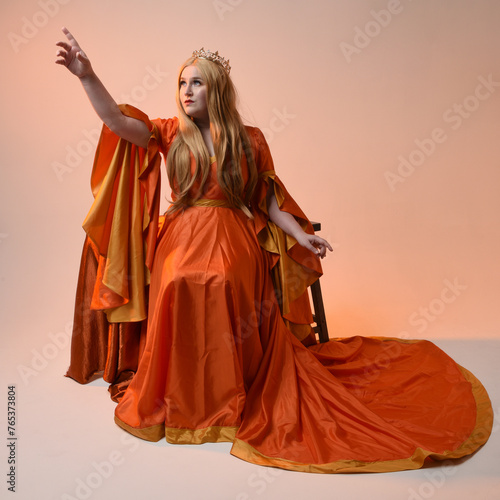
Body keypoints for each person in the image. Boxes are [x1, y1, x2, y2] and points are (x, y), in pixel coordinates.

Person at [57, 27, 492, 474]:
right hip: (183, 232)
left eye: (197, 82)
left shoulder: (251, 139)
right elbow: (116, 121)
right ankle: (180, 391)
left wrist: (301, 235)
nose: (186, 91)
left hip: (231, 230)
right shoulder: (169, 132)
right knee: (176, 281)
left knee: (226, 278)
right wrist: (87, 76)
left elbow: (267, 202)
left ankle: (233, 387)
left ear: (217, 89)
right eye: (182, 83)